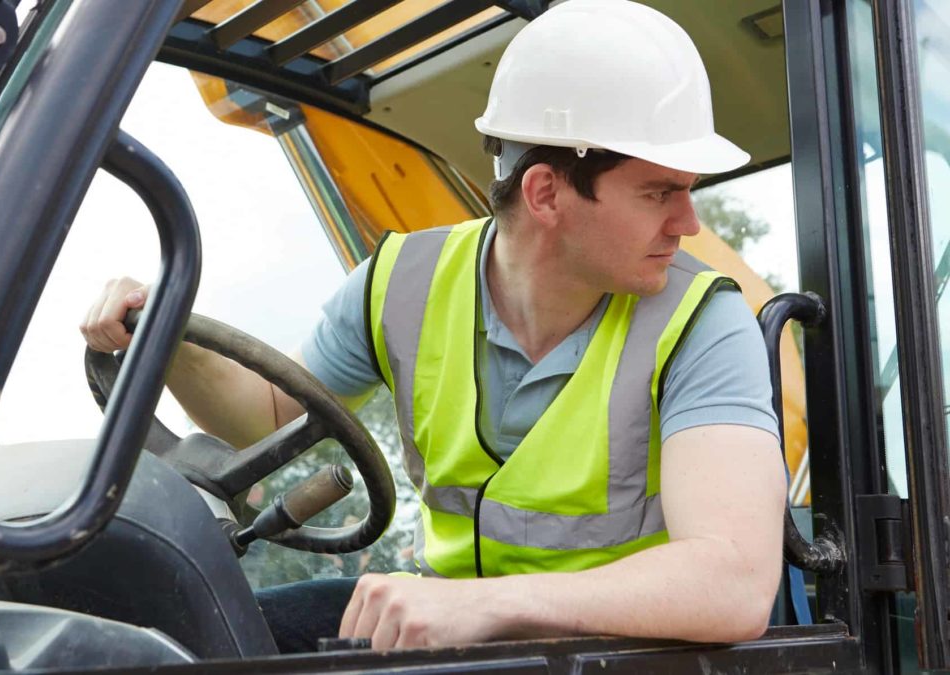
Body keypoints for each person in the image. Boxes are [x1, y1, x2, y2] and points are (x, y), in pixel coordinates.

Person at [81, 0, 785, 654]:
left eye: (685, 192)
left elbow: (734, 582)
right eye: (660, 193)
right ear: (546, 193)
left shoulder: (703, 320)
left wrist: (491, 604)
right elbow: (260, 420)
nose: (688, 224)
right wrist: (167, 337)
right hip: (463, 631)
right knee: (198, 637)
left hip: (624, 651)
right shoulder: (402, 283)